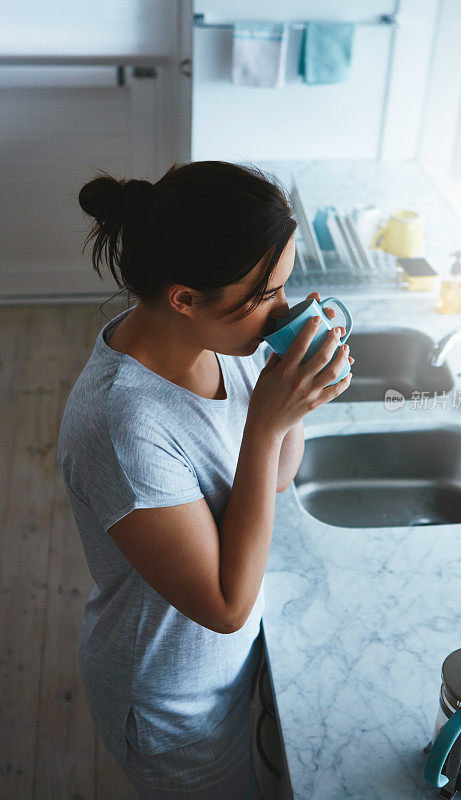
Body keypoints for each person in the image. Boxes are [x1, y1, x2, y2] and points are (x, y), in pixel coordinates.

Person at [56, 160, 353, 799]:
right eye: (265, 297)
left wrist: (294, 399)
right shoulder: (121, 429)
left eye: (285, 287)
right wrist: (269, 424)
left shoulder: (224, 342)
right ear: (184, 298)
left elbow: (270, 480)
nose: (282, 311)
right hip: (173, 704)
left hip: (225, 669)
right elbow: (224, 604)